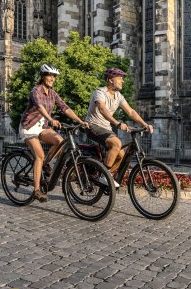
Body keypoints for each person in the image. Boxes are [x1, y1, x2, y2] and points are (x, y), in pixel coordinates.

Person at [19, 63, 88, 203]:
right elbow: (39, 107)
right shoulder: (36, 90)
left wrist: (80, 121)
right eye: (49, 75)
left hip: (42, 126)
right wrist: (50, 119)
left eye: (54, 76)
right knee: (39, 155)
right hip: (29, 127)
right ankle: (36, 190)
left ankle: (45, 164)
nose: (52, 78)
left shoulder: (52, 93)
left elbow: (65, 108)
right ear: (43, 76)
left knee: (60, 142)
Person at [84, 68, 154, 187]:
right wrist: (117, 123)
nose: (123, 81)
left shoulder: (118, 96)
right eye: (120, 79)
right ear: (111, 80)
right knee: (116, 143)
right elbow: (102, 109)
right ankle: (103, 176)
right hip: (93, 125)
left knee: (121, 155)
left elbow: (131, 112)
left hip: (106, 128)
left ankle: (105, 175)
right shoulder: (99, 92)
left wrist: (144, 124)